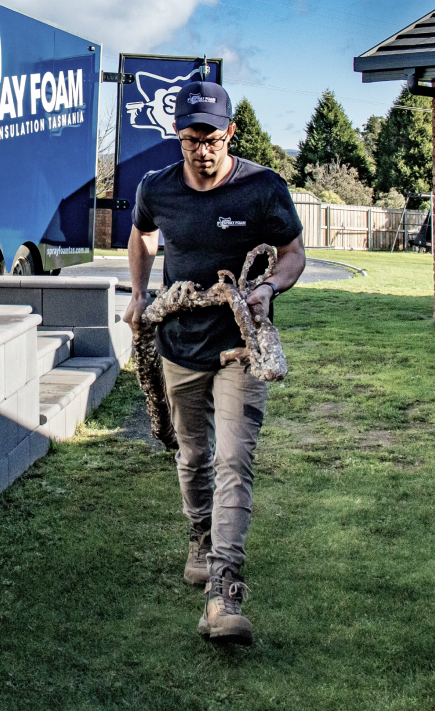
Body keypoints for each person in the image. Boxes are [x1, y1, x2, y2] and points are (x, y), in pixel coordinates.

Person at [123, 80, 305, 645]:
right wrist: (137, 293)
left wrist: (270, 287)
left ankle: (223, 590)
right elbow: (142, 236)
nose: (201, 150)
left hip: (241, 346)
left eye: (211, 138)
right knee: (193, 454)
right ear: (178, 137)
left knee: (233, 458)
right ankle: (201, 539)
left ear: (230, 132)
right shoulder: (157, 188)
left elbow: (294, 252)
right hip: (180, 342)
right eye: (189, 138)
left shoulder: (262, 188)